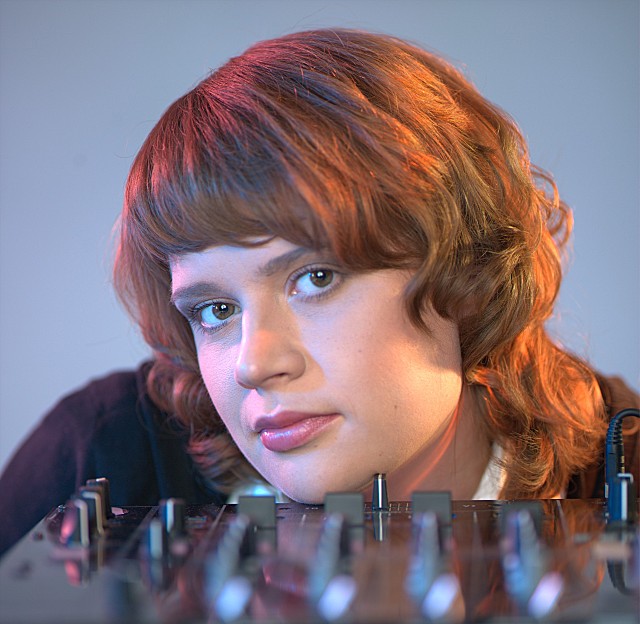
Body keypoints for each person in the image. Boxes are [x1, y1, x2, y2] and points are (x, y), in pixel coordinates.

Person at [0, 28, 638, 557]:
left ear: (468, 270)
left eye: (315, 278)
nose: (254, 363)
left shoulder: (622, 460)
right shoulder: (99, 456)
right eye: (216, 310)